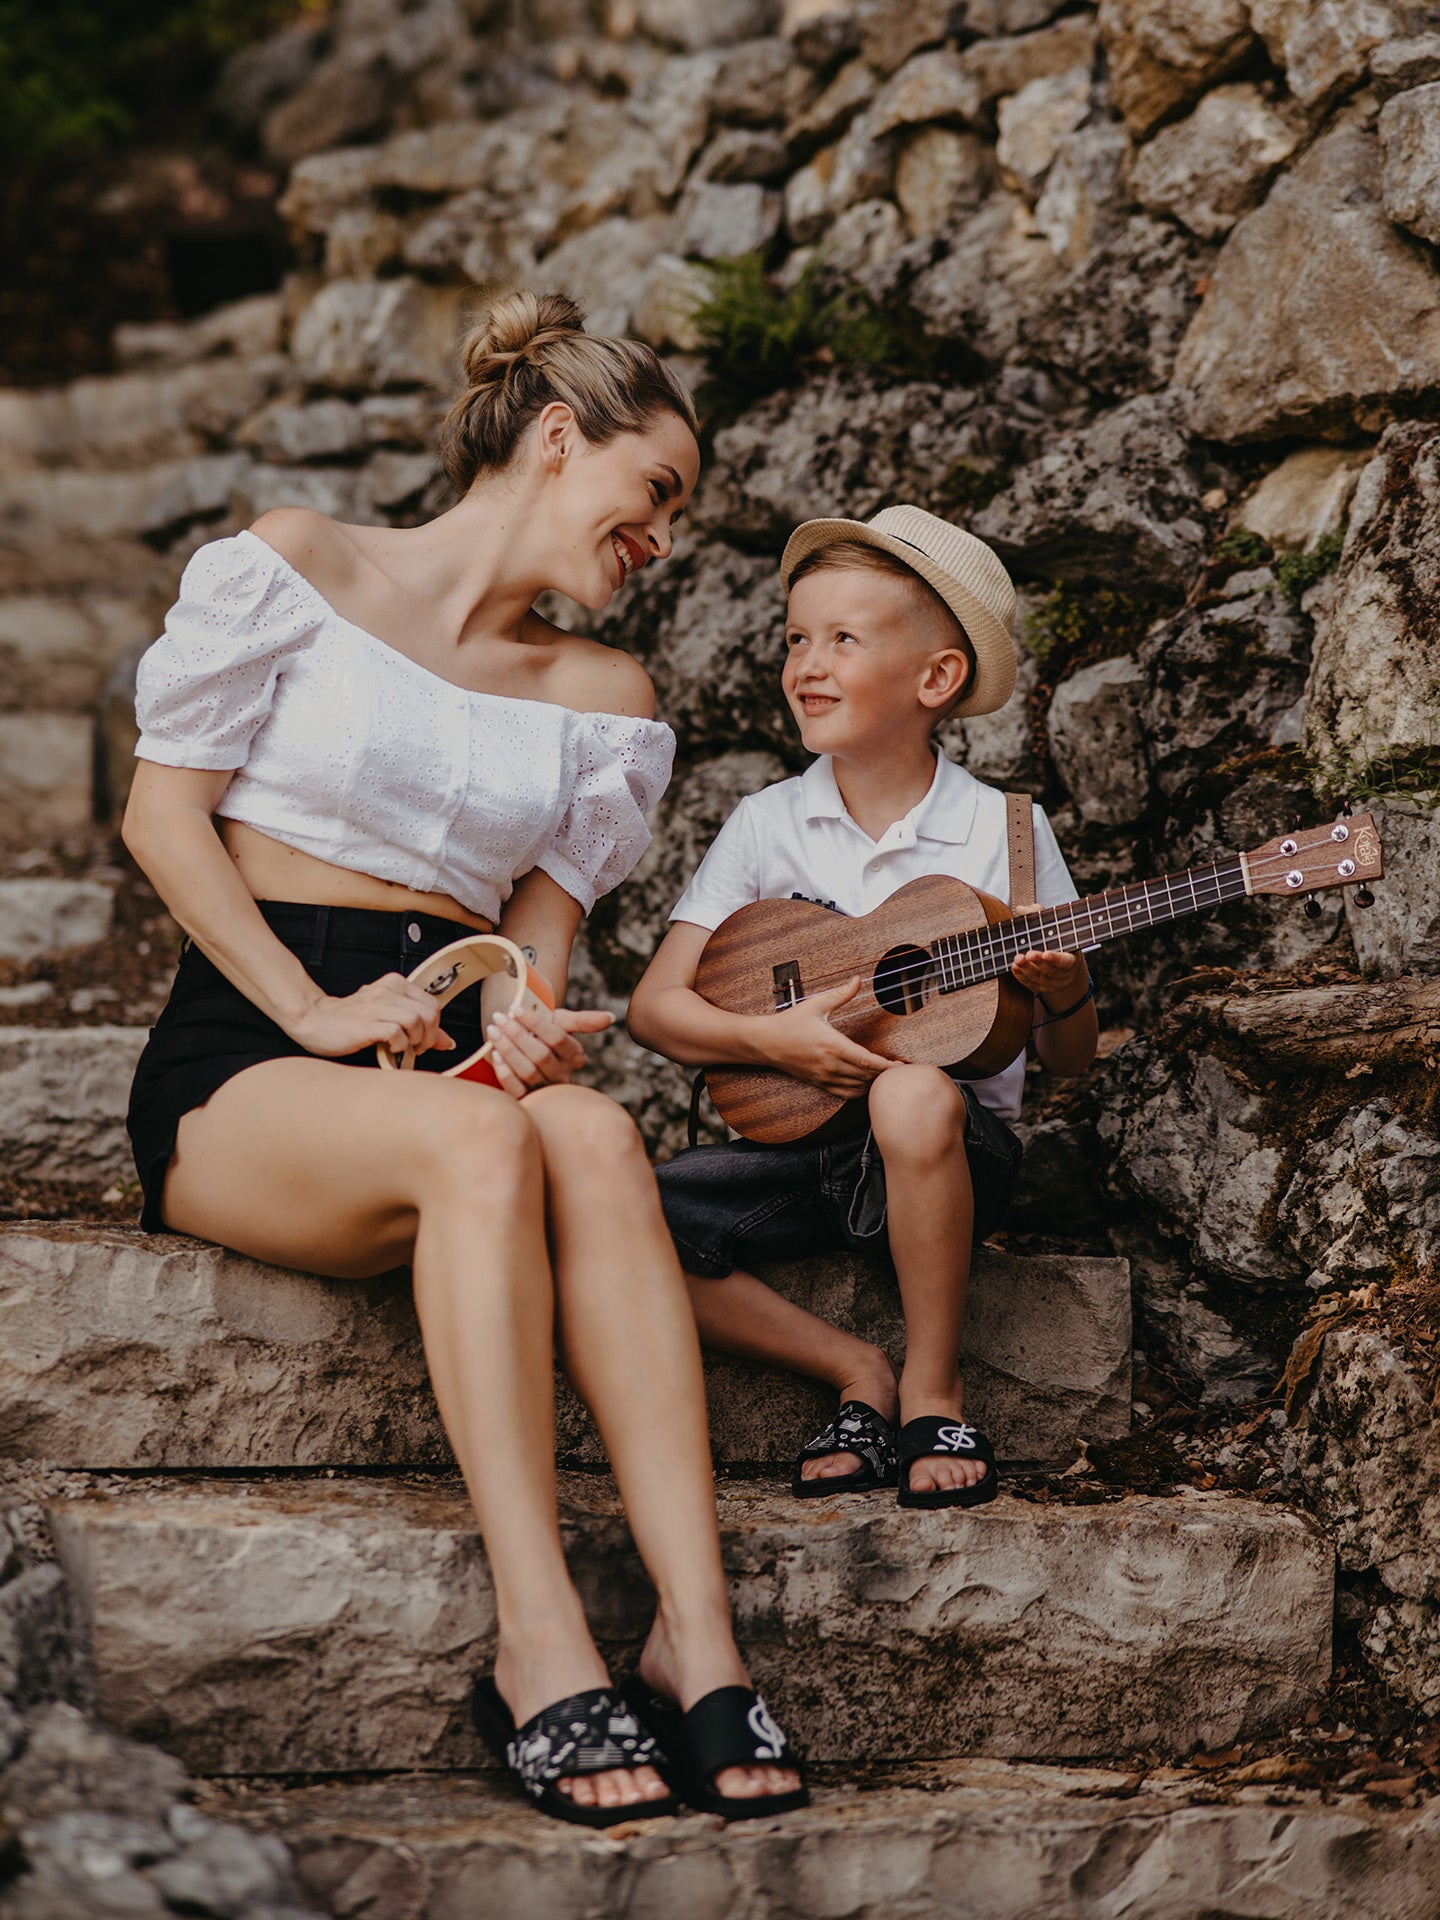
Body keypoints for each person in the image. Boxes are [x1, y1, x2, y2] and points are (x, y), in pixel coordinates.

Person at [120, 290, 806, 1827]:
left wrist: (532, 1024)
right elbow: (162, 819)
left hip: (451, 1052)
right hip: (253, 1055)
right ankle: (539, 1638)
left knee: (593, 1139)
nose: (664, 539)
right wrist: (308, 1008)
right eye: (658, 493)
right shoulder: (298, 565)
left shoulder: (606, 701)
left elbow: (542, 949)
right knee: (484, 1149)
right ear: (560, 440)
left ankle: (698, 1636)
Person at [627, 506, 1099, 1510]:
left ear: (936, 680)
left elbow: (1068, 1057)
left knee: (914, 1095)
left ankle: (934, 1384)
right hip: (805, 1154)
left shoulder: (1006, 834)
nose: (808, 662)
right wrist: (775, 1043)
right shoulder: (768, 824)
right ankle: (857, 1372)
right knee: (619, 1210)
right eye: (797, 637)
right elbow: (657, 1011)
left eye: (844, 638)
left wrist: (1065, 991)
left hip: (951, 1156)